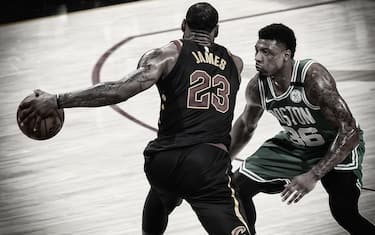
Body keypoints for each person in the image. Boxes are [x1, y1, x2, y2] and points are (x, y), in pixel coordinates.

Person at [18, 2, 251, 235]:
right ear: (216, 30)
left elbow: (118, 90)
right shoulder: (235, 63)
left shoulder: (165, 55)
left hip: (163, 160)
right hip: (205, 163)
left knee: (163, 192)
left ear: (183, 25)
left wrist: (57, 100)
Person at [229, 23, 375, 235]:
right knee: (236, 189)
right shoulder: (257, 86)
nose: (258, 58)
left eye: (266, 52)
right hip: (296, 144)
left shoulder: (312, 78)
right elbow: (245, 126)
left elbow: (349, 130)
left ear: (286, 55)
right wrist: (221, 161)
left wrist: (314, 174)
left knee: (344, 212)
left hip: (337, 145)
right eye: (257, 50)